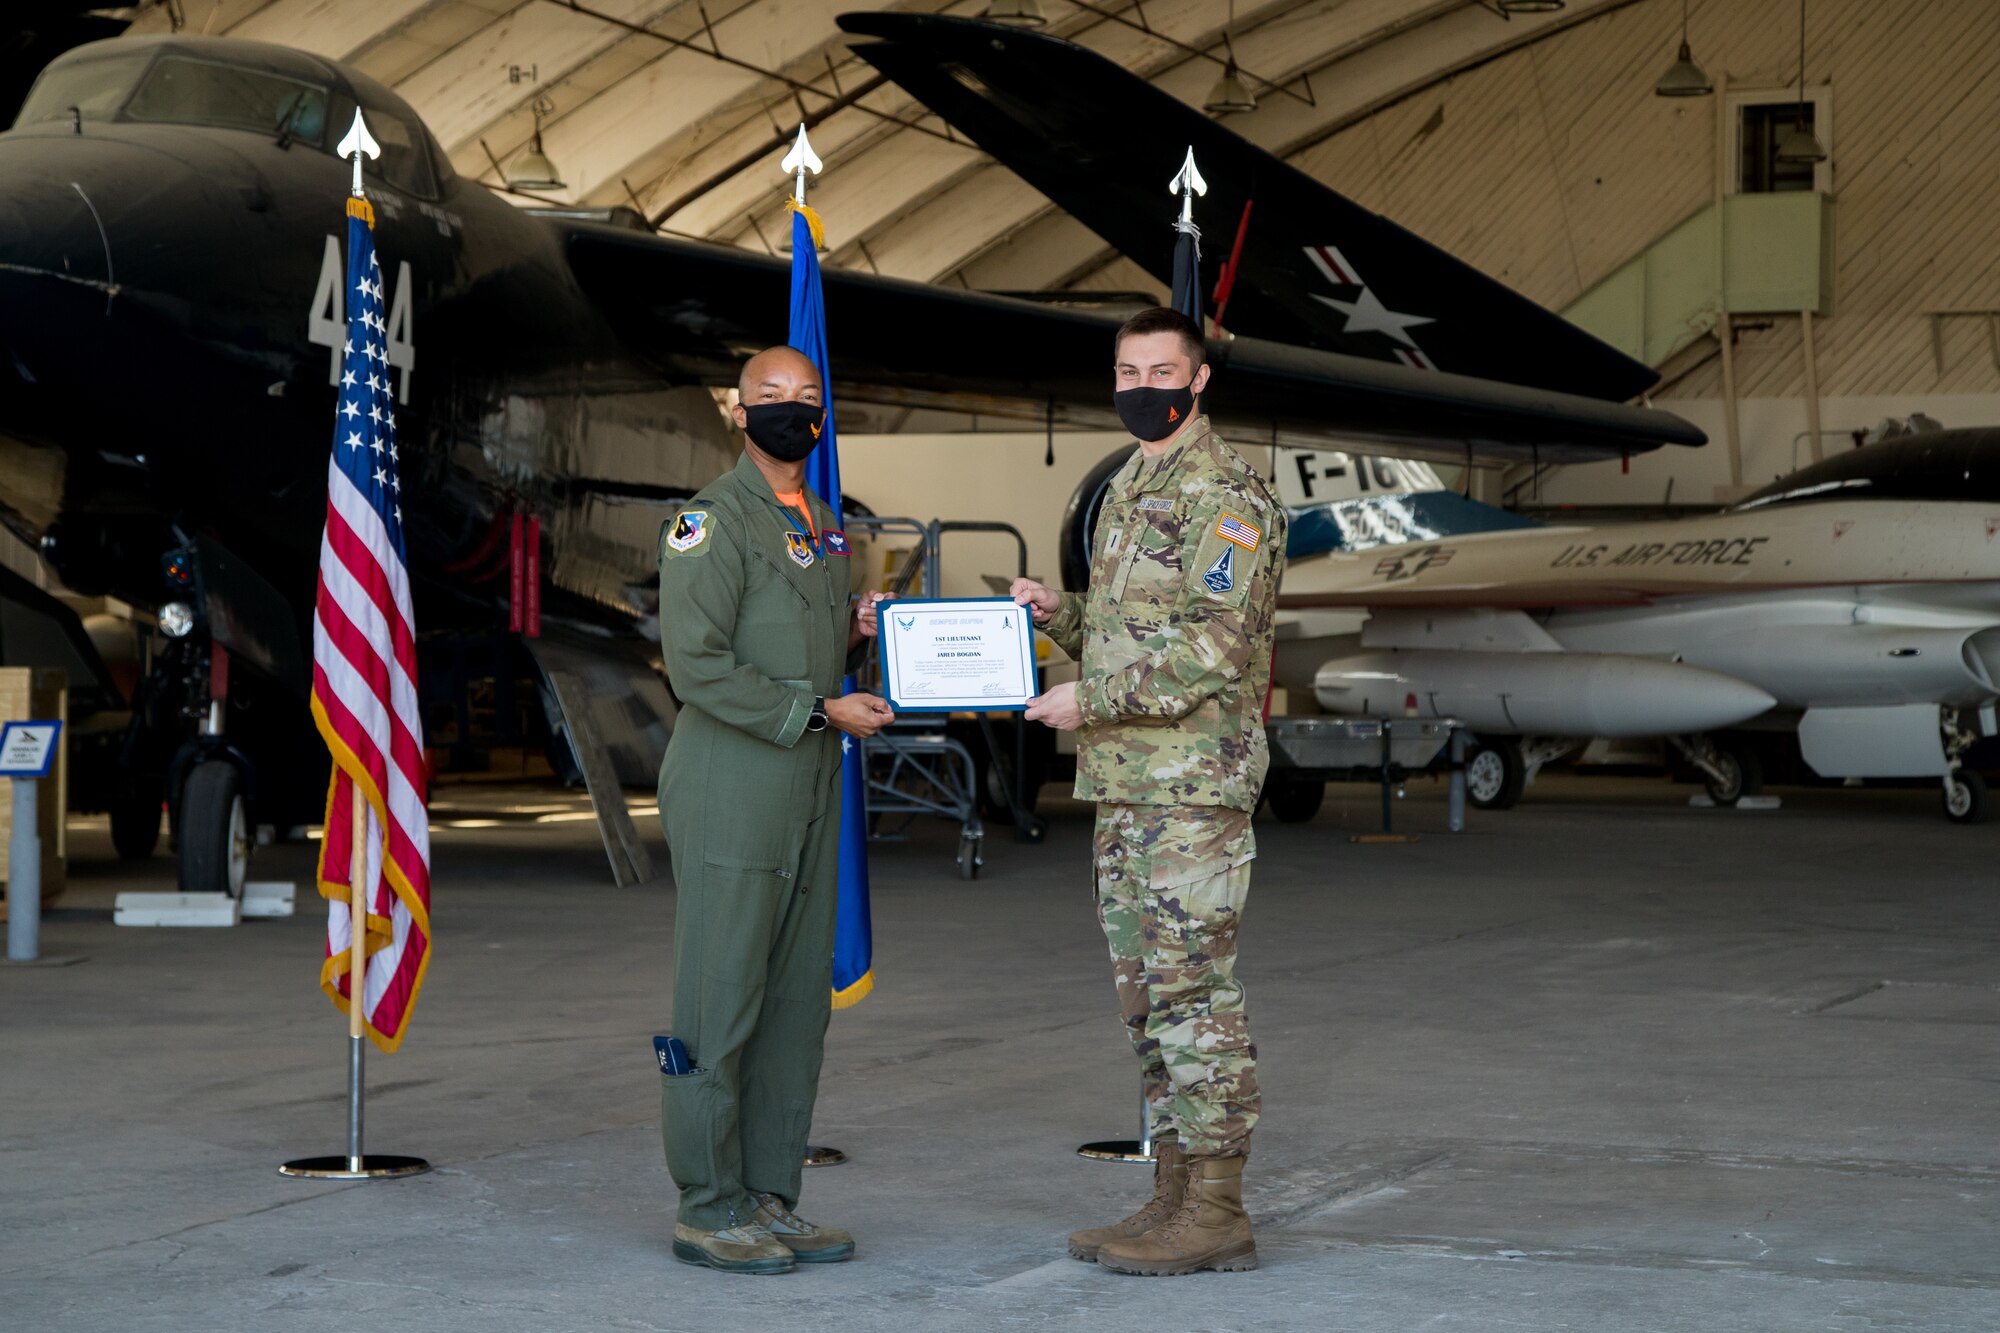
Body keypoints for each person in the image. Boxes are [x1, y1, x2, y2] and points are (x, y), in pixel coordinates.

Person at [1015, 306, 1286, 1277]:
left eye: (1159, 369)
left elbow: (1211, 652)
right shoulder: (1134, 482)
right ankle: (1172, 1192)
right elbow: (1135, 635)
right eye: (1125, 369)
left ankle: (1216, 1205)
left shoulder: (1226, 494)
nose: (1139, 385)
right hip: (1130, 787)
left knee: (1193, 996)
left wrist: (1091, 697)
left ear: (1198, 377)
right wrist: (1061, 616)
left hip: (1189, 787)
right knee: (1147, 1001)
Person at [654, 345, 895, 1274]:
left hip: (806, 778)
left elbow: (801, 637)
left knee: (797, 997)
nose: (792, 411)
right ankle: (706, 1203)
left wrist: (856, 632)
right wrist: (817, 709)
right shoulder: (709, 521)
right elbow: (698, 664)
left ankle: (766, 1192)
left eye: (807, 397)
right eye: (772, 398)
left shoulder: (824, 524)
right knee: (721, 995)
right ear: (738, 410)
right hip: (734, 776)